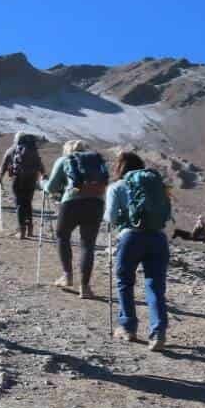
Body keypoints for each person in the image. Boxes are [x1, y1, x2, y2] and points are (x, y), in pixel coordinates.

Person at [105, 152, 172, 348]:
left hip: (131, 237)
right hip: (158, 238)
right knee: (155, 286)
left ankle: (128, 327)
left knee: (125, 282)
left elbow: (110, 218)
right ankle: (158, 332)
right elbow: (168, 214)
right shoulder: (157, 187)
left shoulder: (117, 187)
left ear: (120, 168)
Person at [42, 140, 110, 298]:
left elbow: (51, 187)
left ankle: (67, 276)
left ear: (67, 150)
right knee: (88, 244)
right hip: (96, 203)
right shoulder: (95, 161)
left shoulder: (65, 160)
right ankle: (85, 288)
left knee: (62, 236)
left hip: (72, 203)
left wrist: (43, 183)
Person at [0, 132, 47, 239]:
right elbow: (40, 164)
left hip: (17, 179)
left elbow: (4, 165)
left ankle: (22, 230)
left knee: (19, 203)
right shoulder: (33, 150)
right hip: (32, 179)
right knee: (28, 203)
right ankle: (30, 229)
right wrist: (44, 175)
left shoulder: (11, 150)